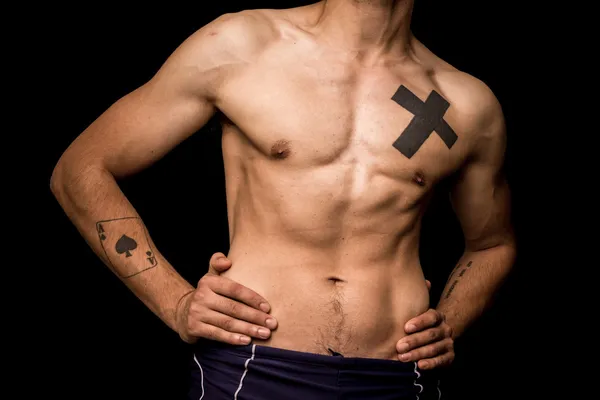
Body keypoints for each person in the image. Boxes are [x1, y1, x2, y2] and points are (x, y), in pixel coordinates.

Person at [50, 0, 516, 398]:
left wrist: (449, 321)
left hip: (396, 378)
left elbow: (493, 243)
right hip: (255, 367)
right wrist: (176, 303)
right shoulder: (244, 46)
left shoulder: (465, 102)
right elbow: (81, 169)